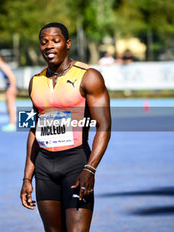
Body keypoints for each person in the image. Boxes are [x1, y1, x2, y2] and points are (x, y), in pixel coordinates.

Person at [20, 22, 111, 231]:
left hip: (76, 164)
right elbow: (33, 130)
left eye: (55, 40)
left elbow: (104, 125)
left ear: (67, 44)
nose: (49, 46)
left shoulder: (89, 76)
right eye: (44, 42)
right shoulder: (35, 81)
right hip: (44, 168)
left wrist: (90, 168)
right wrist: (27, 177)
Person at [0, 54, 18, 132]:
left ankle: (12, 124)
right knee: (8, 105)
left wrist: (12, 87)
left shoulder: (3, 66)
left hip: (10, 87)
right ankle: (11, 123)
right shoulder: (1, 67)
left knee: (10, 105)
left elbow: (12, 77)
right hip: (8, 87)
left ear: (0, 59)